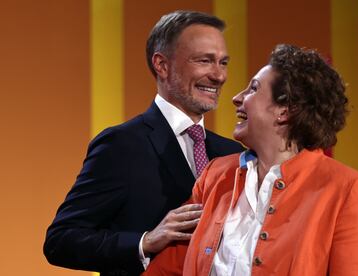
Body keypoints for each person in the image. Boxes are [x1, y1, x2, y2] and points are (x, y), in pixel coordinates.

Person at [144, 44, 358, 275]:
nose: (237, 98)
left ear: (285, 110)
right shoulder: (215, 175)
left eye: (254, 89)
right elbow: (167, 269)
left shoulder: (347, 190)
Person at [43, 10, 244, 276]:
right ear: (162, 65)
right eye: (205, 61)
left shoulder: (233, 153)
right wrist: (145, 241)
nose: (219, 76)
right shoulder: (121, 145)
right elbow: (61, 241)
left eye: (223, 62)